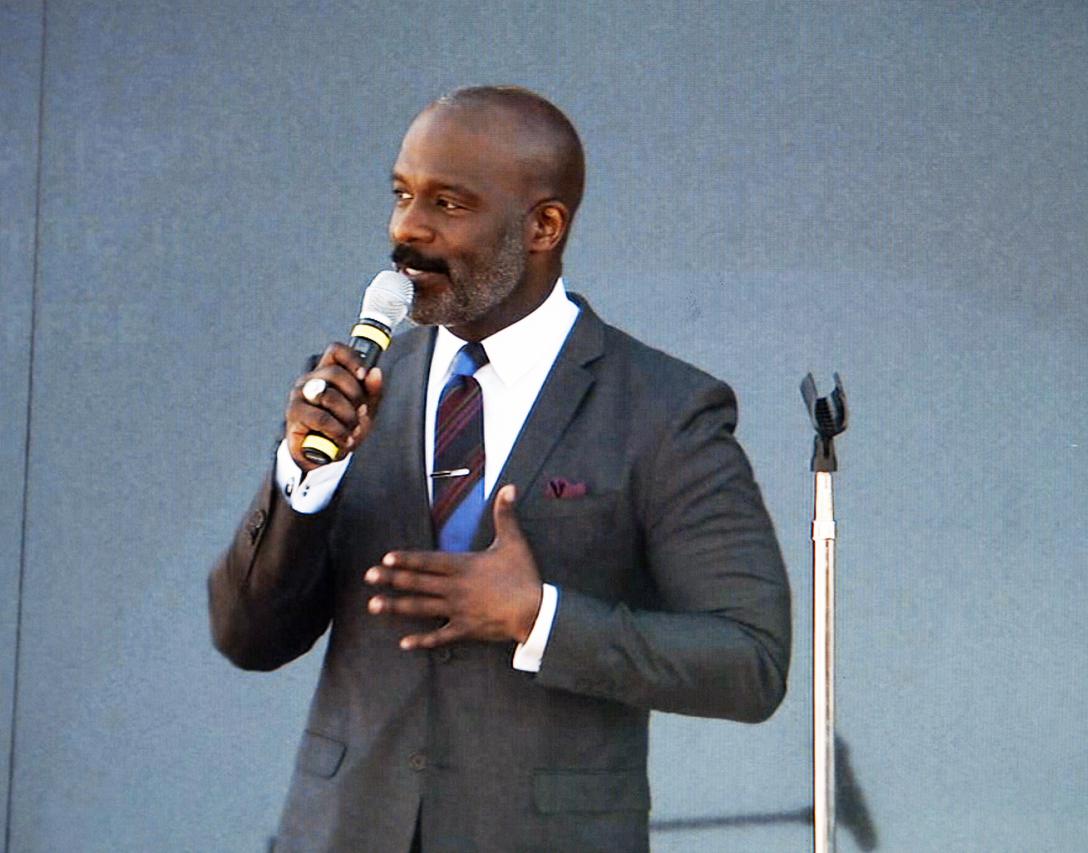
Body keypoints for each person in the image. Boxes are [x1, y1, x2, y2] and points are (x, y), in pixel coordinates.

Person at [208, 85, 791, 853]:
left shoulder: (663, 410)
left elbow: (750, 660)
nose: (407, 229)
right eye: (402, 194)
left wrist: (539, 618)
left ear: (544, 226)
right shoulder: (358, 390)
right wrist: (302, 477)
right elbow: (248, 637)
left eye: (448, 203)